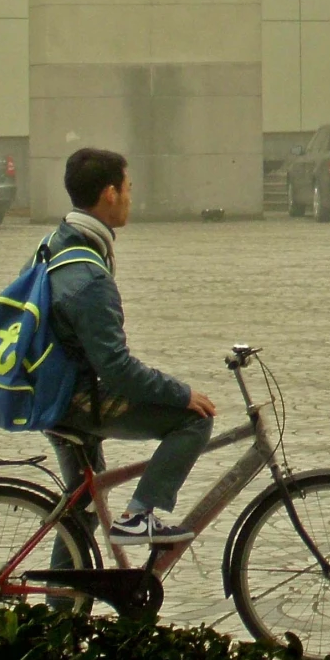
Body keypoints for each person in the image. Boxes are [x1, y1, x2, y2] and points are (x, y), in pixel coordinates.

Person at [44, 147, 217, 545]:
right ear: (109, 194)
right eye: (128, 189)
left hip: (50, 389)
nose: (130, 199)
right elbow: (117, 370)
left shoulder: (57, 242)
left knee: (81, 513)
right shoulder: (89, 276)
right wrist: (182, 393)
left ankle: (63, 607)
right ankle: (138, 516)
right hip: (74, 399)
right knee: (194, 419)